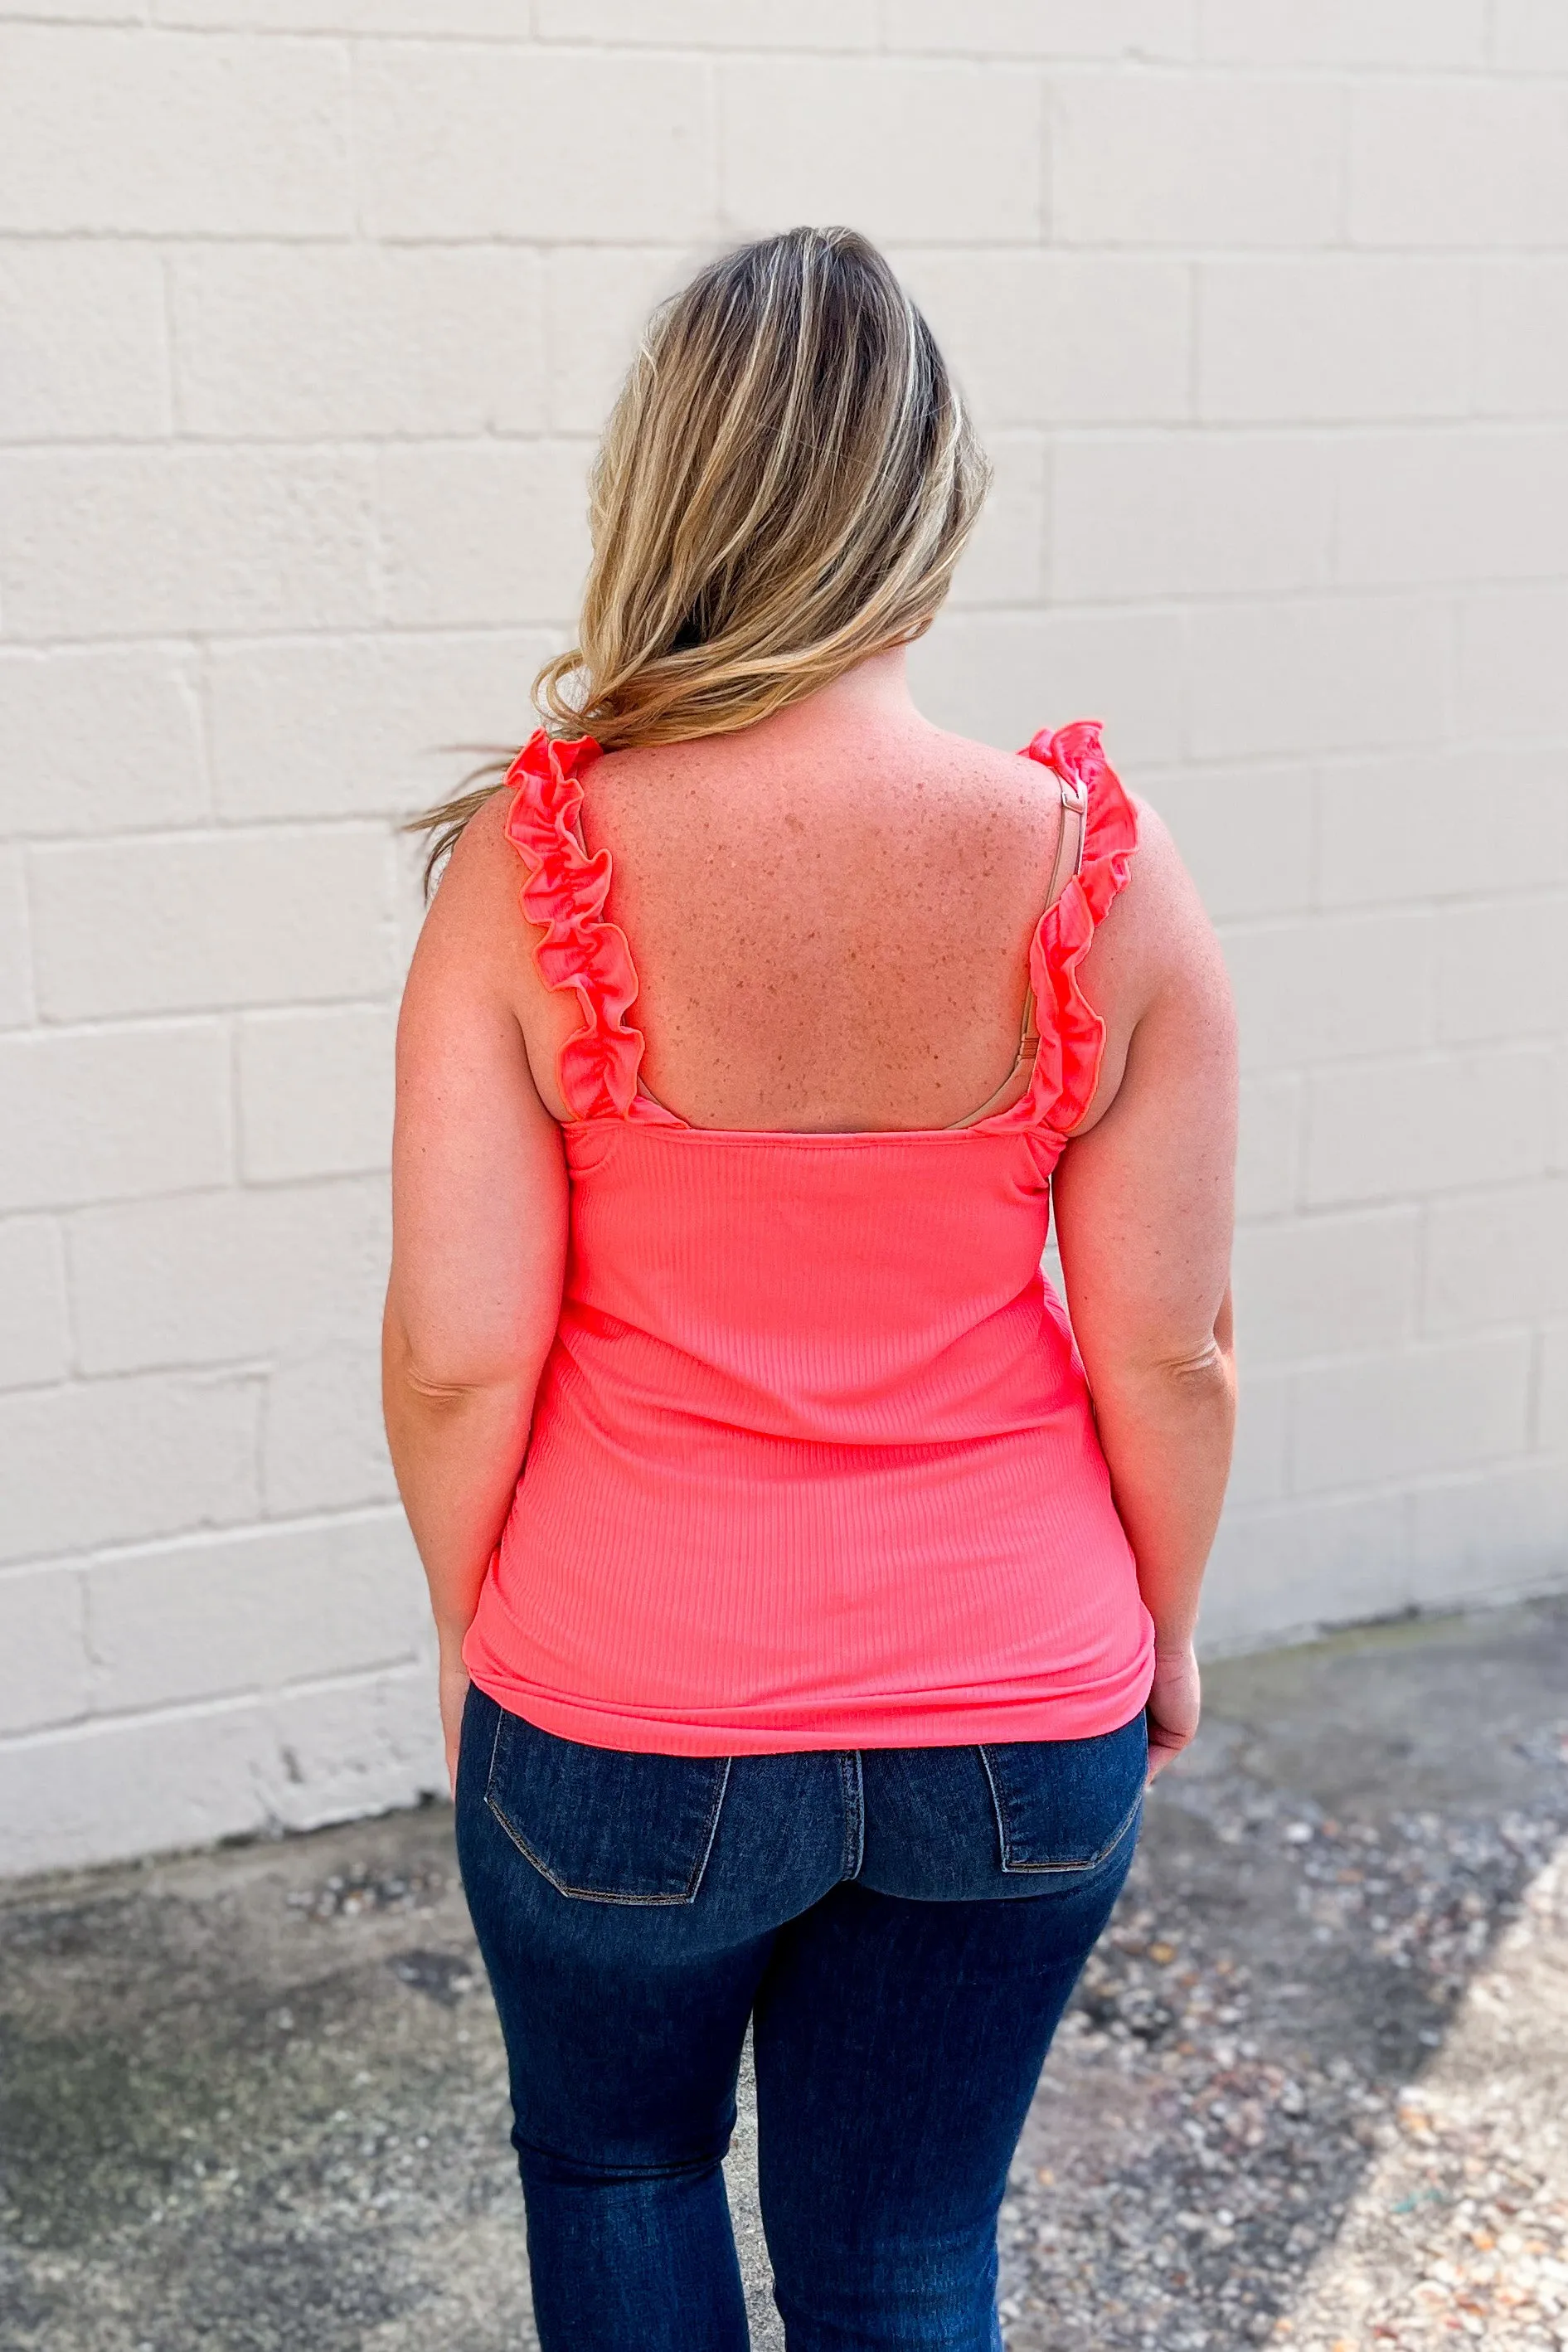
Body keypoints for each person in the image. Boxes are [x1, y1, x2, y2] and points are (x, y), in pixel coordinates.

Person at [383, 226, 1236, 2352]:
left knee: (619, 2163)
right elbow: (1169, 1345)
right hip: (1021, 1701)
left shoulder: (538, 861)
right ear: (927, 502)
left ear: (667, 493)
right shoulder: (1094, 872)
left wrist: (475, 1626)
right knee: (904, 2251)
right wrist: (1171, 1629)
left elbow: (456, 1351)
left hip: (621, 1695)